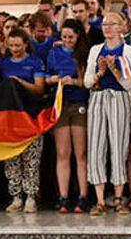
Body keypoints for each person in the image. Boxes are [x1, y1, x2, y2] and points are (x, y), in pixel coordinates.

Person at [84, 12, 131, 216]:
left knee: (118, 146)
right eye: (105, 24)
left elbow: (128, 83)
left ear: (121, 27)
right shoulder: (95, 50)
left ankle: (117, 197)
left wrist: (114, 69)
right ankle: (99, 199)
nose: (107, 28)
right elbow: (88, 81)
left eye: (111, 24)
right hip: (98, 97)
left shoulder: (128, 51)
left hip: (118, 98)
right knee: (96, 146)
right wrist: (100, 71)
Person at [45, 19, 92, 214]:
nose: (67, 41)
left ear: (78, 35)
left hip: (79, 102)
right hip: (61, 104)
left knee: (80, 153)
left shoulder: (84, 53)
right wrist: (54, 80)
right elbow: (46, 78)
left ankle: (83, 195)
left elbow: (87, 81)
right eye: (64, 37)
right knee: (63, 153)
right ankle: (63, 196)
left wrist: (72, 81)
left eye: (70, 37)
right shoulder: (54, 52)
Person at [0, 29, 47, 213]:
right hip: (10, 118)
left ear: (26, 44)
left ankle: (31, 196)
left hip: (32, 116)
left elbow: (39, 88)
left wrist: (19, 82)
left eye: (18, 45)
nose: (14, 49)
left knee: (31, 159)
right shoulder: (3, 64)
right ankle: (16, 196)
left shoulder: (35, 62)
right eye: (11, 45)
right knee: (12, 159)